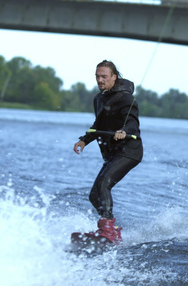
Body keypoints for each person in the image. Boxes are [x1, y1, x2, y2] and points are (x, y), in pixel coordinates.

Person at [73, 60, 143, 245]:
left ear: (114, 77)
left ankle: (108, 229)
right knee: (94, 195)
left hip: (129, 151)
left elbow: (133, 124)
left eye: (104, 76)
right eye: (97, 76)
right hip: (112, 153)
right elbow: (98, 125)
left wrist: (125, 131)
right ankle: (113, 229)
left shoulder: (126, 98)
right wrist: (84, 140)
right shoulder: (99, 99)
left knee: (104, 184)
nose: (100, 80)